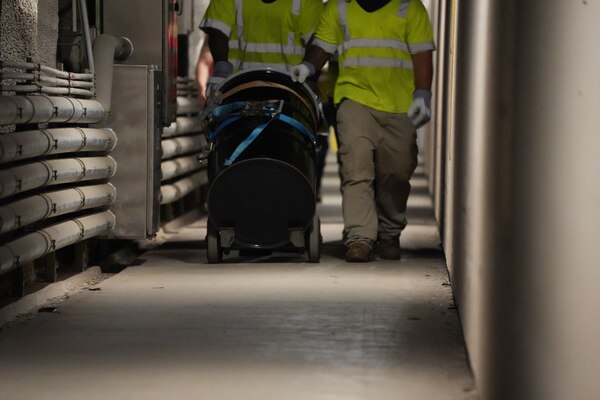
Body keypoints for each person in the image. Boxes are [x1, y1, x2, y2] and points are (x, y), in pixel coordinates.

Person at [291, 0, 435, 262]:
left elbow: (422, 52)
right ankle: (359, 238)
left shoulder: (409, 8)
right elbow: (322, 44)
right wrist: (309, 67)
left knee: (397, 172)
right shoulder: (338, 7)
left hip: (399, 104)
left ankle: (389, 233)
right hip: (354, 99)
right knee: (355, 169)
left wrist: (423, 94)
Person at [198, 0, 324, 97]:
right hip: (243, 88)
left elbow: (318, 43)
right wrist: (221, 71)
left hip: (286, 89)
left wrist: (310, 77)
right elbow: (217, 31)